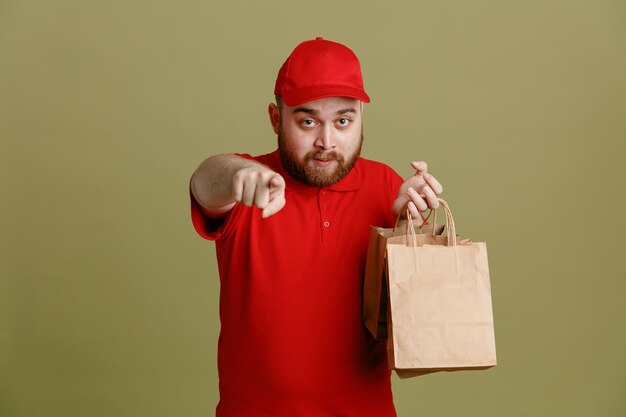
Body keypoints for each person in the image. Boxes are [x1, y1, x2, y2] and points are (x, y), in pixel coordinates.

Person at [190, 37, 443, 417]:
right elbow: (205, 182)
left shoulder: (387, 186)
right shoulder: (249, 183)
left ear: (359, 119)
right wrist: (240, 173)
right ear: (276, 119)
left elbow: (417, 323)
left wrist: (411, 231)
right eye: (308, 122)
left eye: (343, 121)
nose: (326, 142)